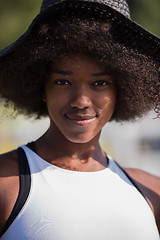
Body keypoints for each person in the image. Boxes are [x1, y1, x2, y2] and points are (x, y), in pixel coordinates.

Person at [0, 0, 160, 239]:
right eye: (63, 82)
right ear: (41, 87)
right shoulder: (6, 183)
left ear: (122, 90)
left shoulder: (151, 193)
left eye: (100, 83)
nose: (81, 101)